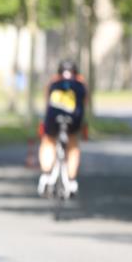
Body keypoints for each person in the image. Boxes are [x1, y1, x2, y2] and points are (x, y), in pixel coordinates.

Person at [37, 59, 88, 197]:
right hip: (74, 120)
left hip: (53, 119)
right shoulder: (81, 83)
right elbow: (84, 104)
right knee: (73, 146)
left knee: (48, 141)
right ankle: (71, 181)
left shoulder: (53, 82)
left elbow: (47, 103)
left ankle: (46, 175)